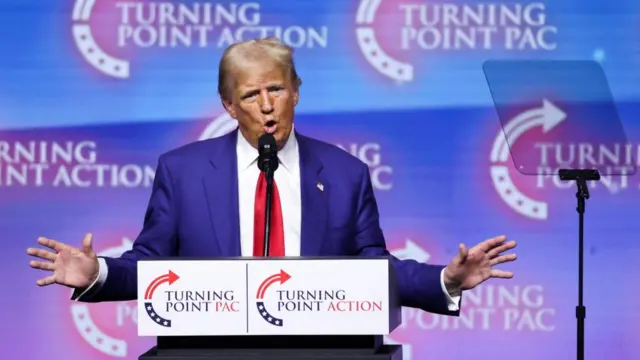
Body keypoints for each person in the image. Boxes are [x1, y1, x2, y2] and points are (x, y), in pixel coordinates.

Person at [27, 37, 517, 315]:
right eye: (250, 95)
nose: (266, 106)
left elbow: (372, 266)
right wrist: (99, 274)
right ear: (227, 106)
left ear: (297, 92)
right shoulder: (182, 171)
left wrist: (444, 280)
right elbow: (153, 263)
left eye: (277, 89)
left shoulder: (346, 173)